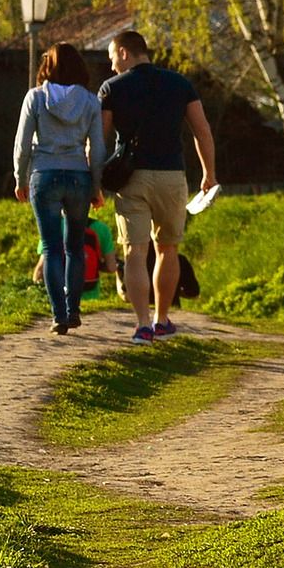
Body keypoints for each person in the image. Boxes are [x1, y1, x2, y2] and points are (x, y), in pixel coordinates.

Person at [98, 29, 217, 343]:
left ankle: (141, 326)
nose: (111, 67)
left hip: (131, 178)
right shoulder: (180, 84)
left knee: (135, 252)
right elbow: (202, 131)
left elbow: (98, 141)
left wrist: (94, 182)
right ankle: (162, 319)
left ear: (124, 52)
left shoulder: (111, 88)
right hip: (171, 176)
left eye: (112, 58)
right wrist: (209, 174)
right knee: (168, 249)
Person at [14, 41, 105, 335]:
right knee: (75, 248)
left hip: (45, 173)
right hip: (79, 177)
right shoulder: (91, 102)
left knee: (52, 249)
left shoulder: (35, 98)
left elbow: (22, 144)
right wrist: (97, 184)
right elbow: (98, 147)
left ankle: (59, 315)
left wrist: (20, 178)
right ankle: (74, 309)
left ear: (47, 66)